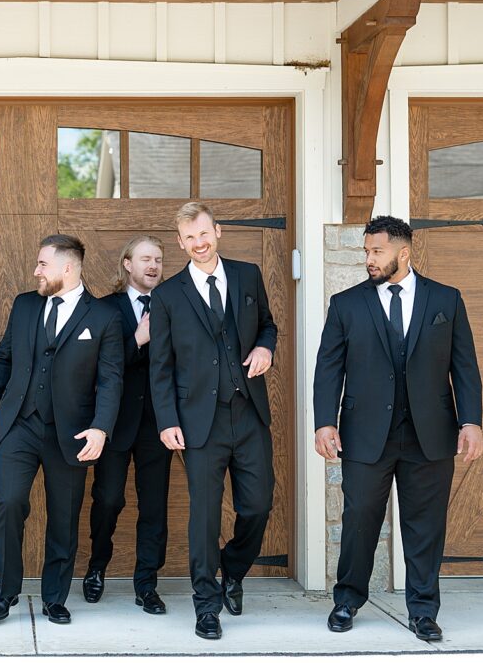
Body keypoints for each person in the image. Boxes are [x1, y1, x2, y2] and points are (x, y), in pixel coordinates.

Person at [314, 215, 483, 641]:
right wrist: (323, 423)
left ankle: (423, 610)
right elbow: (328, 369)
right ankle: (347, 600)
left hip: (431, 434)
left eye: (377, 251)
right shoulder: (346, 304)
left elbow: (464, 367)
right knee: (358, 521)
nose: (369, 259)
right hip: (366, 433)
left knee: (425, 525)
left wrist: (472, 421)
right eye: (366, 251)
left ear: (403, 253)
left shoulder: (446, 299)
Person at [0, 234, 124, 625]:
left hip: (71, 432)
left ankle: (55, 598)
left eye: (43, 264)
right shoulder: (26, 305)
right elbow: (4, 357)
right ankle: (6, 592)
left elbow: (111, 380)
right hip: (19, 424)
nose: (36, 271)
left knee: (64, 516)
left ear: (68, 268)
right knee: (8, 504)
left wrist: (101, 429)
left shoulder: (104, 317)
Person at [149, 202, 278, 640]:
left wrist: (265, 348)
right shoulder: (167, 295)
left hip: (249, 413)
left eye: (204, 234)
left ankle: (234, 570)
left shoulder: (248, 275)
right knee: (204, 516)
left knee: (259, 505)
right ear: (181, 242)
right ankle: (206, 605)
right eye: (189, 239)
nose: (198, 244)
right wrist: (166, 419)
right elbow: (160, 365)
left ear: (217, 231)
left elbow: (268, 325)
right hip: (197, 421)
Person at [82, 235, 173, 615]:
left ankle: (146, 584)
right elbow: (95, 366)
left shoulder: (173, 306)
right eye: (145, 258)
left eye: (159, 259)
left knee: (154, 506)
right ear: (127, 264)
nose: (153, 265)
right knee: (108, 499)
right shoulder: (104, 309)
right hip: (114, 422)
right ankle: (96, 566)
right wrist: (137, 338)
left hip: (159, 423)